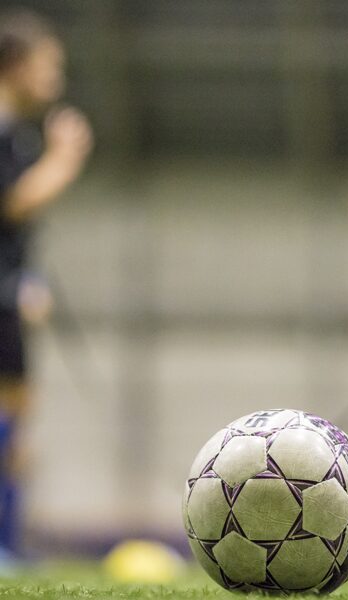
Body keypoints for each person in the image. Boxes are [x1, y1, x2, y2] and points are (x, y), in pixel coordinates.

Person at [0, 10, 93, 556]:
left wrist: (27, 280)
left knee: (18, 416)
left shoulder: (15, 133)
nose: (55, 78)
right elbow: (13, 203)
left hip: (9, 297)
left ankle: (9, 544)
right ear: (15, 64)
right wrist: (64, 158)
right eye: (47, 65)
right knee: (10, 414)